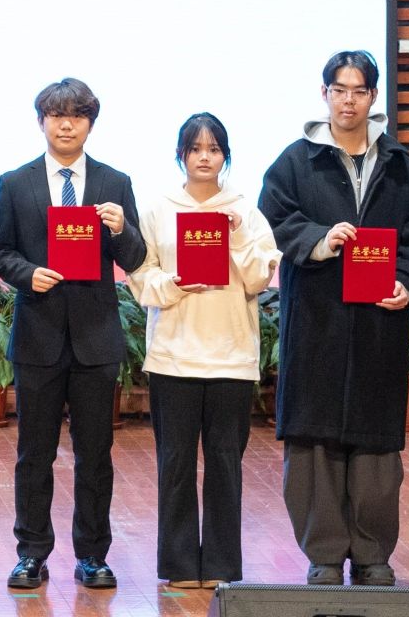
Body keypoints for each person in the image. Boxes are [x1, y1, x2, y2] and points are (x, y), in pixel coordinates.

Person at [258, 50, 409, 587]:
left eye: (359, 91)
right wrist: (320, 238)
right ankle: (322, 553)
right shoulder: (297, 161)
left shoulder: (400, 165)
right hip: (316, 324)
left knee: (375, 445)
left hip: (378, 325)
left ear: (373, 97)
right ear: (325, 94)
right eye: (339, 90)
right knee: (313, 443)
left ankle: (371, 554)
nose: (348, 101)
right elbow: (273, 219)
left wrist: (406, 281)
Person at [0, 76, 146, 591]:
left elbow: (135, 257)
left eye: (77, 116)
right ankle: (31, 554)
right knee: (33, 454)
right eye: (56, 116)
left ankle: (93, 555)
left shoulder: (114, 182)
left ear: (90, 124)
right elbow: (0, 252)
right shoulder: (16, 182)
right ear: (42, 122)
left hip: (96, 338)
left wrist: (121, 228)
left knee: (95, 455)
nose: (66, 125)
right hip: (39, 335)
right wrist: (26, 273)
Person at [127, 113, 280, 589]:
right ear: (181, 156)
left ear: (225, 157)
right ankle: (177, 566)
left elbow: (258, 279)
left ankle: (220, 566)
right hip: (173, 356)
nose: (204, 158)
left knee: (225, 464)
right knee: (174, 463)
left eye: (214, 149)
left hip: (231, 357)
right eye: (195, 149)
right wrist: (172, 284)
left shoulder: (245, 212)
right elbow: (140, 276)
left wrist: (235, 235)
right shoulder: (157, 209)